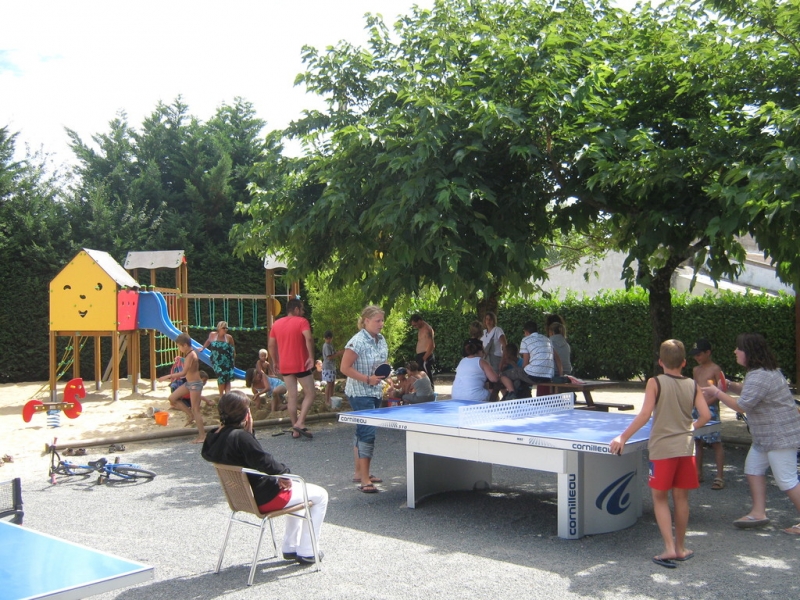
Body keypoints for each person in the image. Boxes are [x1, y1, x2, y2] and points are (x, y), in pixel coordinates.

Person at [610, 339, 711, 568]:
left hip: (663, 449)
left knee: (659, 498)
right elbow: (704, 416)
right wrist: (689, 427)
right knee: (681, 499)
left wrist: (623, 437)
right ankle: (682, 547)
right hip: (686, 447)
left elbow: (645, 414)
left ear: (660, 362)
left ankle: (669, 548)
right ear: (684, 362)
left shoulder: (655, 382)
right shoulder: (693, 384)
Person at [201, 391, 328, 564]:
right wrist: (285, 474)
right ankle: (308, 550)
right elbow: (265, 462)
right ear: (246, 414)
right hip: (265, 498)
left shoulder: (213, 437)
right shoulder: (242, 438)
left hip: (242, 499)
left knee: (299, 494)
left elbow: (246, 459)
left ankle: (291, 547)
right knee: (320, 495)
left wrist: (249, 432)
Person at [702, 333, 800, 535]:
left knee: (786, 480)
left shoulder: (760, 376)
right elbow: (749, 392)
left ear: (749, 352)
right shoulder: (762, 372)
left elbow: (741, 405)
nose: (735, 351)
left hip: (779, 437)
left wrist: (717, 392)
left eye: (739, 348)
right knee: (753, 469)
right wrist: (729, 385)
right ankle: (758, 513)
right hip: (767, 437)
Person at [340, 305, 389, 493]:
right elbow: (345, 368)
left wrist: (386, 376)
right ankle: (365, 480)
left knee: (362, 431)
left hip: (375, 391)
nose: (381, 324)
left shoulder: (381, 339)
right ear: (366, 321)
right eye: (378, 320)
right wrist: (367, 379)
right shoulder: (357, 341)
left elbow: (381, 363)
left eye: (382, 320)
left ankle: (359, 473)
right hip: (360, 392)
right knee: (367, 432)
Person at [268, 299, 316, 439]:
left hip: (285, 365)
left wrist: (276, 361)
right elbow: (308, 339)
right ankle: (300, 423)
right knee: (310, 393)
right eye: (301, 309)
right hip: (301, 363)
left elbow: (271, 345)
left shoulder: (276, 324)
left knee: (292, 397)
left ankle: (295, 430)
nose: (303, 312)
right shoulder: (302, 322)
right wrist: (311, 357)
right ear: (296, 309)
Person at [688, 339, 726, 490]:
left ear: (708, 353)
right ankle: (698, 472)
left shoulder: (716, 369)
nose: (697, 357)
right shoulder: (696, 370)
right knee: (697, 441)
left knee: (715, 442)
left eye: (699, 354)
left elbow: (721, 390)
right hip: (697, 408)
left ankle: (720, 476)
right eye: (695, 355)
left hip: (711, 409)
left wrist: (708, 403)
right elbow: (695, 388)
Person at [158, 333, 208, 443]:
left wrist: (168, 376)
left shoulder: (191, 355)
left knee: (196, 409)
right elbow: (187, 367)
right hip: (189, 383)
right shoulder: (190, 353)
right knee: (172, 398)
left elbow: (184, 372)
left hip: (195, 384)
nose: (179, 348)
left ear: (185, 345)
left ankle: (202, 436)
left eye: (179, 346)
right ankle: (190, 415)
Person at [202, 321, 236, 397]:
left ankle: (227, 396)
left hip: (227, 361)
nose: (225, 329)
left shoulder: (229, 337)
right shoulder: (213, 335)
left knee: (227, 378)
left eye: (226, 328)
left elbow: (233, 350)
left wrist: (233, 362)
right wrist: (203, 348)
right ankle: (221, 396)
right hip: (216, 361)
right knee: (221, 376)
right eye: (224, 328)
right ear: (219, 328)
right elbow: (208, 341)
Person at [410, 314, 435, 384]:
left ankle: (431, 391)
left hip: (425, 355)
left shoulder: (427, 329)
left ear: (420, 321)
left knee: (426, 374)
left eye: (415, 325)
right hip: (420, 355)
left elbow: (432, 345)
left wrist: (424, 358)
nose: (414, 327)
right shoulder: (420, 329)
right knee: (420, 375)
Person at [321, 331, 344, 408]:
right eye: (327, 338)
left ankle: (331, 399)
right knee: (329, 384)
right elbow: (329, 357)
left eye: (329, 338)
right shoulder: (326, 346)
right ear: (325, 338)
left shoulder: (330, 345)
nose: (328, 340)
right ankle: (327, 400)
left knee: (332, 384)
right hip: (328, 367)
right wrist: (338, 353)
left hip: (331, 367)